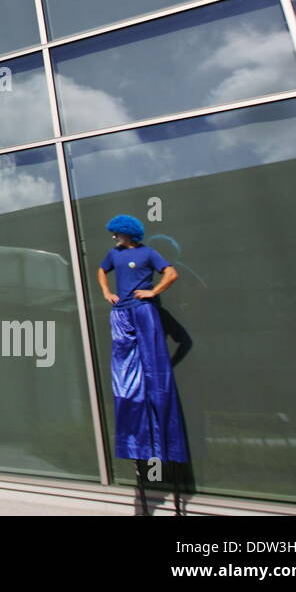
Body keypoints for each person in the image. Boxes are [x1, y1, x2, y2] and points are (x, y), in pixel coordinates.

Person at [97, 214, 190, 513]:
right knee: (125, 378)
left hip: (143, 310)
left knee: (155, 377)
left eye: (117, 234)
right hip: (122, 314)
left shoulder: (148, 252)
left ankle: (162, 449)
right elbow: (101, 271)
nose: (114, 238)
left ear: (127, 233)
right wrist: (106, 292)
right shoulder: (114, 254)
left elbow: (172, 274)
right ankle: (137, 445)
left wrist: (153, 292)